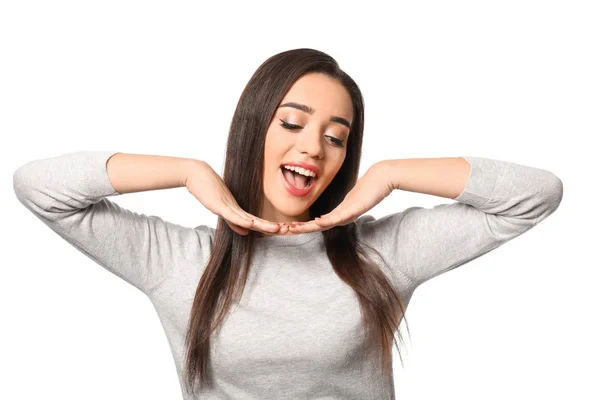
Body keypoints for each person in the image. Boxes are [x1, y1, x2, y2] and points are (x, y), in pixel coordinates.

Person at [12, 48, 563, 400]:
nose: (313, 147)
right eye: (293, 122)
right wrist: (187, 172)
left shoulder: (383, 253)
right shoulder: (178, 260)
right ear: (255, 128)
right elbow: (39, 188)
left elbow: (535, 196)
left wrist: (392, 174)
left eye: (336, 136)